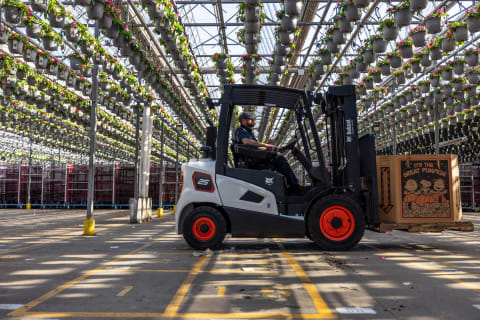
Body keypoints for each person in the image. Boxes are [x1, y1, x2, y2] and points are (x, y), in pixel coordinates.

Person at [234, 111, 303, 193]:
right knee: (280, 159)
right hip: (252, 161)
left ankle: (289, 186)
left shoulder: (249, 132)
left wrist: (273, 148)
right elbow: (245, 142)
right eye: (251, 120)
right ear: (244, 121)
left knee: (278, 157)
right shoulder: (240, 130)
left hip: (255, 157)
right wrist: (267, 146)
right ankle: (294, 186)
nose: (253, 122)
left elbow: (256, 147)